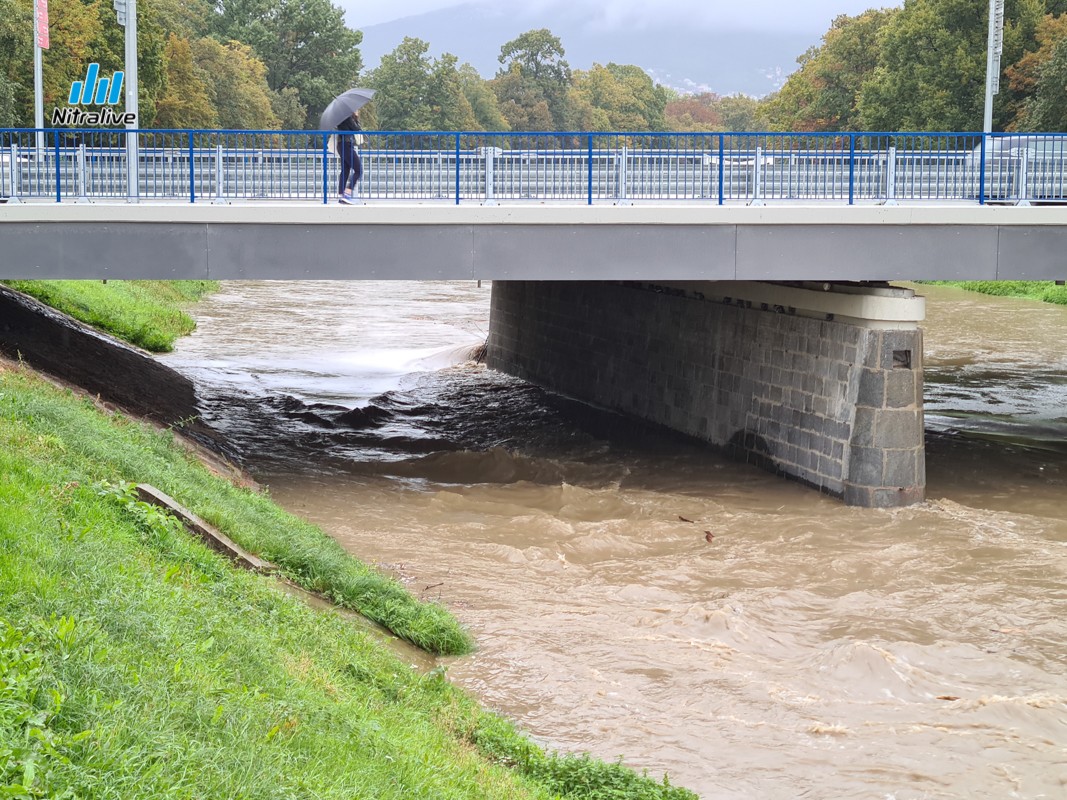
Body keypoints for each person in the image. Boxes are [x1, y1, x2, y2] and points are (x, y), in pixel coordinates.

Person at [335, 110, 364, 205]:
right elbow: (357, 129)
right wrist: (355, 117)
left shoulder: (342, 115)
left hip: (342, 144)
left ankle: (342, 194)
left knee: (345, 170)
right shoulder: (347, 116)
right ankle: (347, 193)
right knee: (359, 170)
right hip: (346, 145)